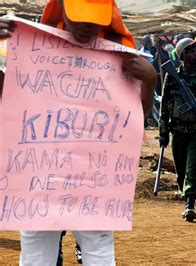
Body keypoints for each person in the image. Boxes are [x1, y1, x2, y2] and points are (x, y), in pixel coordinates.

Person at [0, 0, 157, 265]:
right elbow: (9, 99)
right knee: (37, 253)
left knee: (97, 249)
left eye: (95, 19)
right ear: (60, 8)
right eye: (79, 17)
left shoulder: (121, 57)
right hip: (39, 179)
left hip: (93, 181)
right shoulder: (34, 49)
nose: (87, 25)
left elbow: (132, 122)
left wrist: (150, 82)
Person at [159, 38, 196, 222]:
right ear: (182, 55)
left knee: (192, 167)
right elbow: (165, 105)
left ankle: (190, 203)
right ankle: (185, 194)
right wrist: (163, 131)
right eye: (191, 51)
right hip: (178, 130)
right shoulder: (172, 76)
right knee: (181, 169)